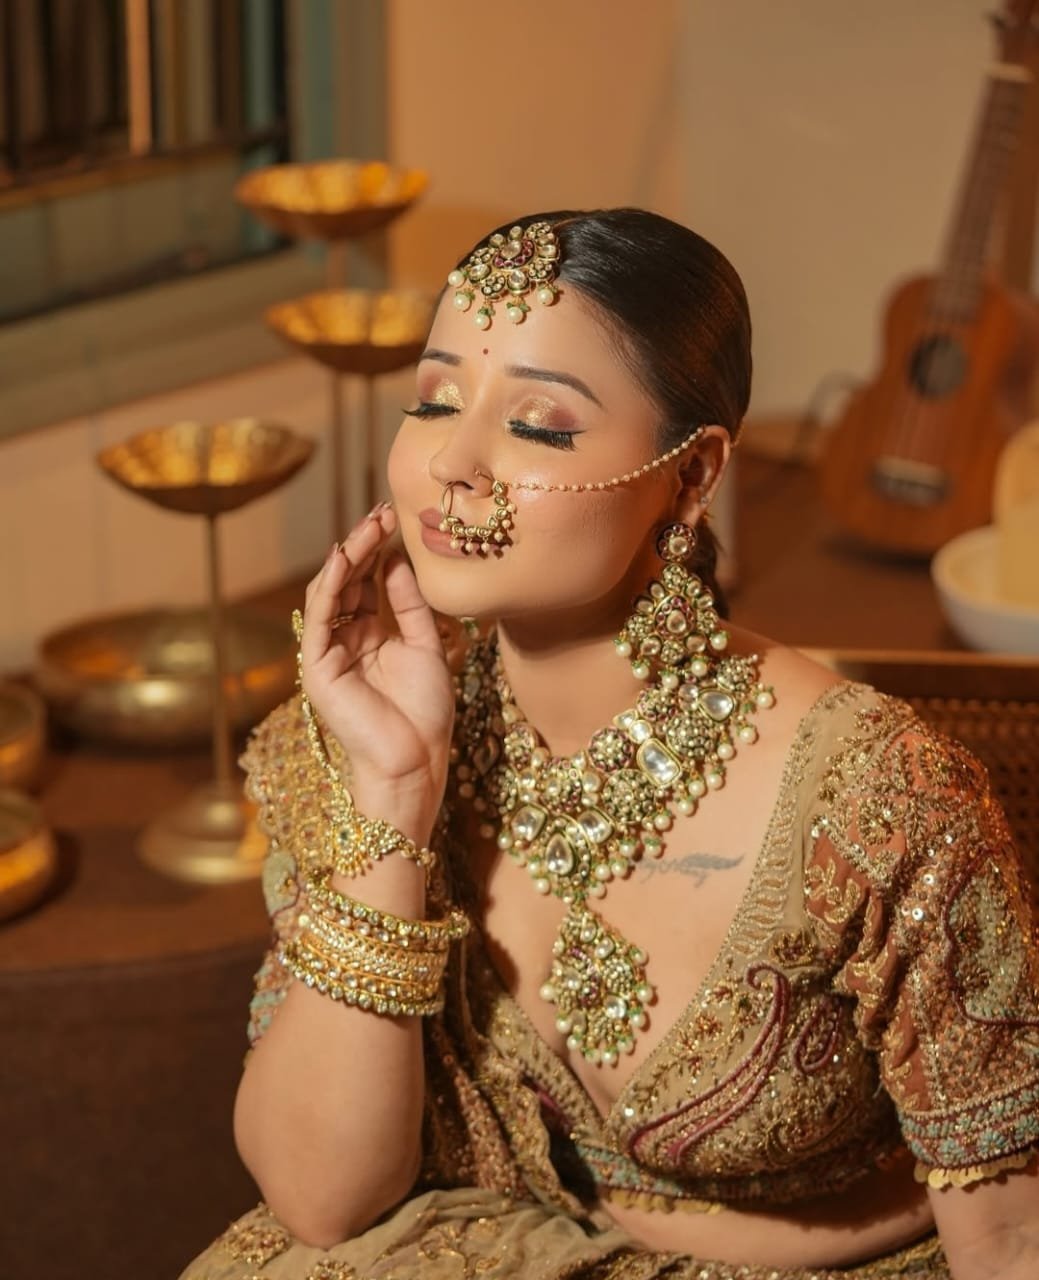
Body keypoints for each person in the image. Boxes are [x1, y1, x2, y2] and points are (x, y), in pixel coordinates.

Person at [180, 210, 1039, 1280]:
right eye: (434, 400)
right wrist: (393, 799)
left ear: (690, 476)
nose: (451, 461)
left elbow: (1010, 1242)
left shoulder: (875, 796)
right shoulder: (359, 740)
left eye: (539, 425)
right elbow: (320, 1198)